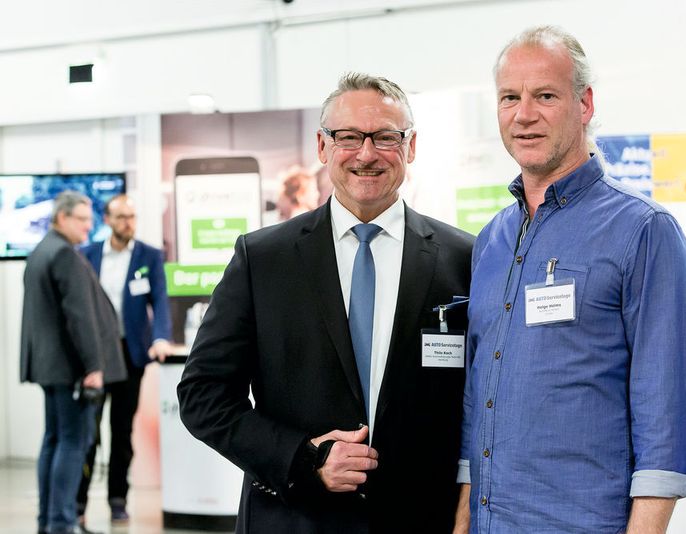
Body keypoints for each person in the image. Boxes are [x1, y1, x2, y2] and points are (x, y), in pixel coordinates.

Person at [178, 72, 474, 533]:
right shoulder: (263, 259)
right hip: (295, 518)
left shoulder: (465, 258)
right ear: (322, 147)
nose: (367, 153)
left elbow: (483, 402)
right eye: (349, 137)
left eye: (386, 137)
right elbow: (203, 396)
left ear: (411, 147)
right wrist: (303, 459)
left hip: (421, 519)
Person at [455, 26, 686, 533]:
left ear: (584, 104)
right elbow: (477, 395)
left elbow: (668, 407)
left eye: (545, 95)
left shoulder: (643, 230)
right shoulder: (491, 240)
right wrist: (463, 519)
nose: (524, 114)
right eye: (510, 97)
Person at [21, 191, 126, 534]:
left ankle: (49, 521)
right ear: (61, 218)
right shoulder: (65, 255)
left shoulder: (41, 252)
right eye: (82, 219)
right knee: (72, 442)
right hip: (72, 370)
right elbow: (79, 318)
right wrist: (94, 366)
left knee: (54, 439)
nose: (88, 225)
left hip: (50, 367)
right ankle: (62, 523)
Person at [76, 194, 173, 523]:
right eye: (121, 217)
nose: (127, 223)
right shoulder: (87, 255)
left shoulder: (149, 255)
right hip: (94, 357)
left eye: (132, 216)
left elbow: (160, 300)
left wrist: (160, 337)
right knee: (88, 433)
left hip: (130, 356)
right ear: (107, 219)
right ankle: (78, 504)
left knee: (121, 431)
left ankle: (118, 499)